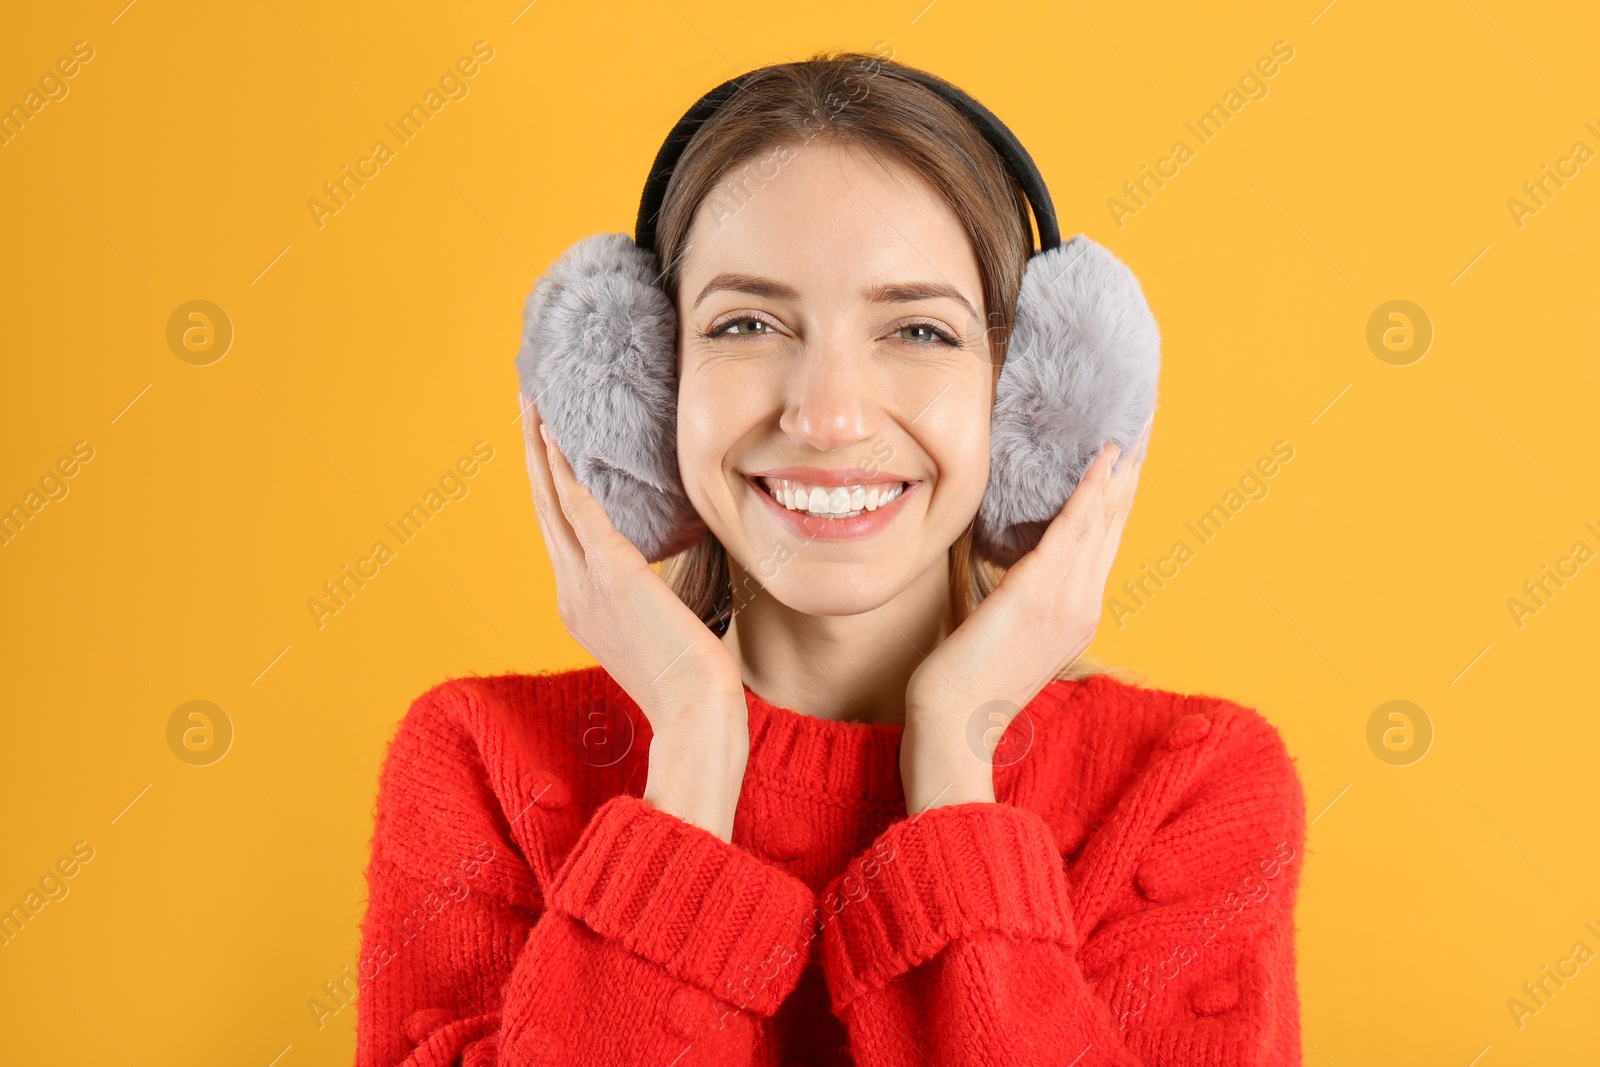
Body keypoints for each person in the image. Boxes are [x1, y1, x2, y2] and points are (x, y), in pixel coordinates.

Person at [355, 51, 1306, 1066]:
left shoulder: (1190, 786)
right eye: (747, 322)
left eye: (916, 329)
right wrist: (689, 746)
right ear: (649, 391)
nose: (827, 414)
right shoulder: (481, 761)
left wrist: (952, 750)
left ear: (1029, 405)